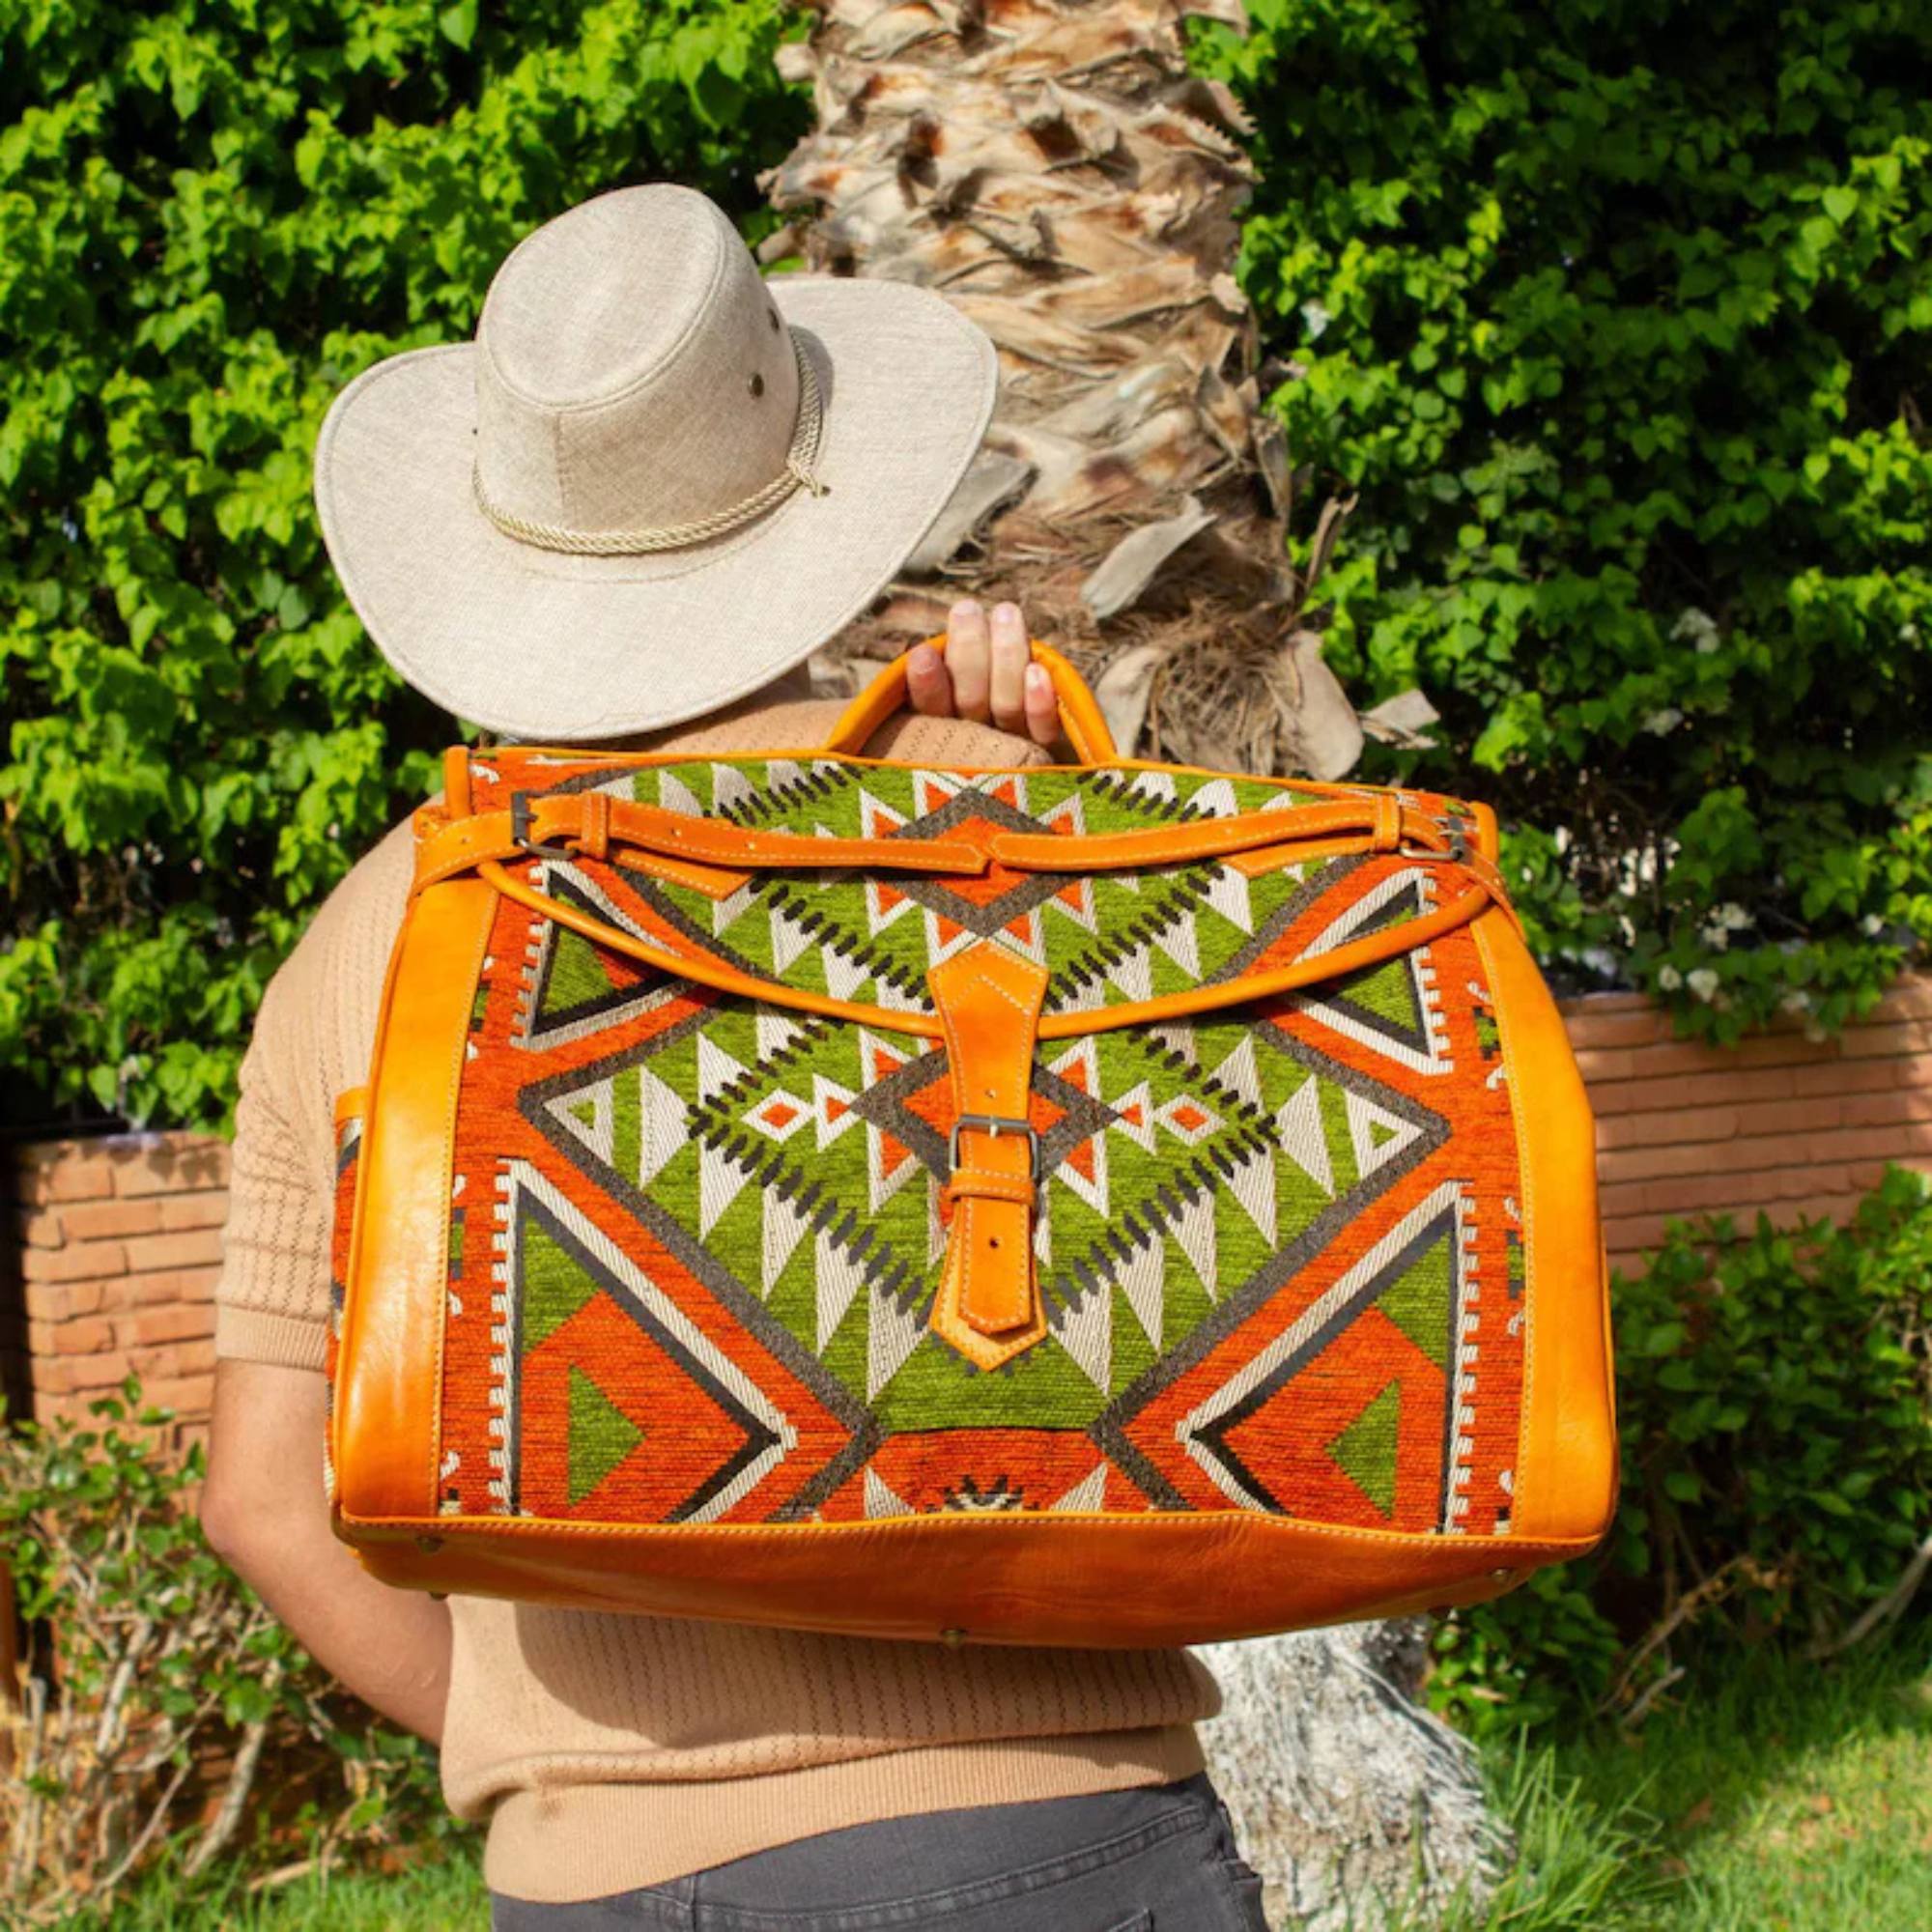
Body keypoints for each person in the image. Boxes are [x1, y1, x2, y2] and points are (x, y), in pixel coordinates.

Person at [202, 184, 1267, 1931]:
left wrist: (538, 1747)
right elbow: (1204, 1271)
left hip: (598, 1887)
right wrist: (1043, 811)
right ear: (818, 487)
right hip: (1052, 1831)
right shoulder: (982, 796)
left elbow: (260, 1496)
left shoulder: (371, 932)